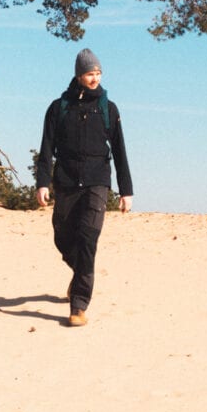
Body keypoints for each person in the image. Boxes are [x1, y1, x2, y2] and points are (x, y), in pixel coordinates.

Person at [35, 48, 132, 327]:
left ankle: (78, 305)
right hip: (65, 180)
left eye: (99, 73)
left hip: (97, 181)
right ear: (79, 75)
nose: (95, 78)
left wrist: (126, 190)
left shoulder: (108, 109)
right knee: (62, 237)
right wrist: (43, 182)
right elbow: (46, 148)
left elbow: (120, 151)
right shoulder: (58, 108)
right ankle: (81, 274)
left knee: (88, 239)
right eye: (91, 73)